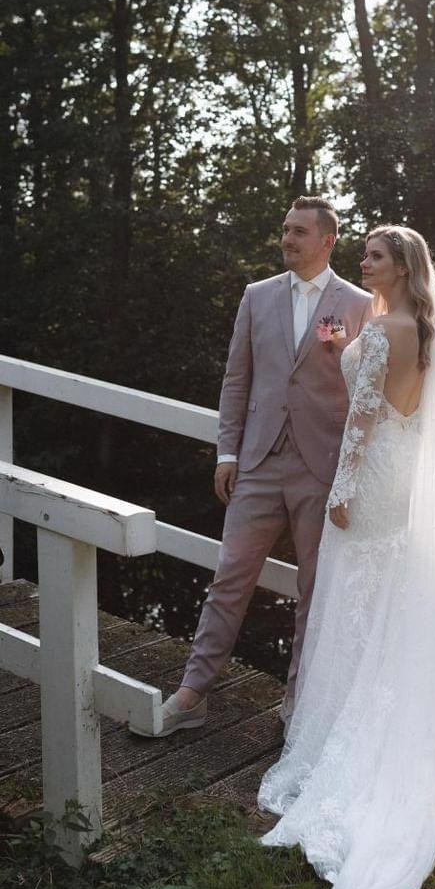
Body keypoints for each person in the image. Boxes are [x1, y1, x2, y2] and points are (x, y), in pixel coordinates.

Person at [257, 225, 435, 889]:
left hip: (370, 478)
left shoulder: (388, 329)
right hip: (401, 478)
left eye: (374, 255)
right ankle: (367, 718)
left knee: (351, 607)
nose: (363, 262)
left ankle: (340, 742)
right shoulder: (414, 326)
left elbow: (364, 417)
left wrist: (341, 491)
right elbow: (393, 399)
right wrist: (347, 347)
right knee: (376, 613)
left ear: (400, 266)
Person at [131, 196, 372, 738]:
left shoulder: (358, 304)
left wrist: (353, 473)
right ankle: (192, 694)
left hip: (322, 466)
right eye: (285, 229)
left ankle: (299, 703)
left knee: (316, 590)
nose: (287, 239)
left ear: (327, 240)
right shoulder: (257, 296)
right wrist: (227, 452)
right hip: (258, 463)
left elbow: (366, 392)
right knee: (229, 577)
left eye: (299, 231)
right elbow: (236, 379)